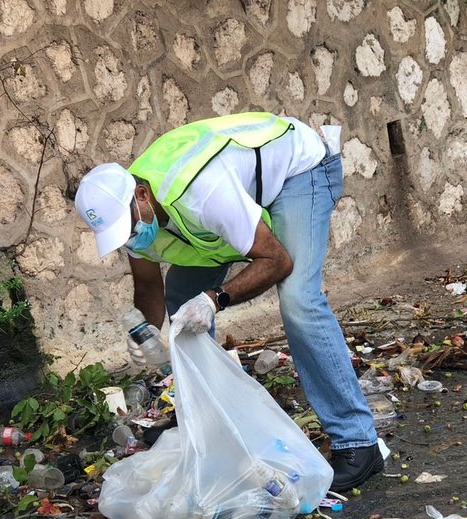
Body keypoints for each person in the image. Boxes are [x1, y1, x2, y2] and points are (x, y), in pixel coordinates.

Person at [73, 112, 382, 491]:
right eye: (121, 235)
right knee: (181, 297)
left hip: (297, 172)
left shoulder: (202, 192)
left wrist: (215, 298)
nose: (132, 239)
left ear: (141, 194)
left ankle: (359, 443)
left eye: (131, 228)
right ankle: (207, 423)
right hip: (227, 214)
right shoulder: (135, 216)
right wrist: (146, 331)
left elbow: (276, 260)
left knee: (300, 301)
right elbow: (149, 287)